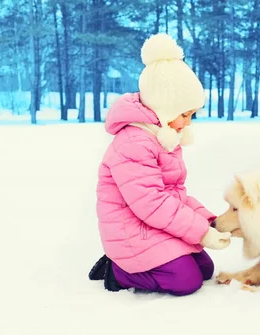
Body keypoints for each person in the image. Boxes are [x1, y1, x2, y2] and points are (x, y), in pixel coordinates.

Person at [87, 33, 231, 296]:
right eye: (184, 114)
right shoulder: (134, 143)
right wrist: (199, 232)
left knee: (205, 270)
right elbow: (151, 203)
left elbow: (174, 194)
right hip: (132, 232)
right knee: (186, 281)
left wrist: (208, 221)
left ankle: (153, 263)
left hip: (152, 224)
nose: (188, 123)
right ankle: (118, 271)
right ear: (164, 108)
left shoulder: (162, 137)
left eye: (192, 115)